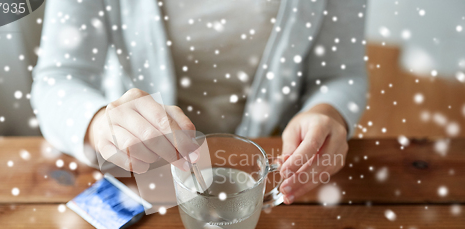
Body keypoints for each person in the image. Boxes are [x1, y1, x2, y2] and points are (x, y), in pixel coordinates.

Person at [31, 0, 367, 205]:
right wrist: (98, 123)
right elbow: (57, 80)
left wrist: (328, 112)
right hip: (142, 174)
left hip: (274, 168)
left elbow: (343, 74)